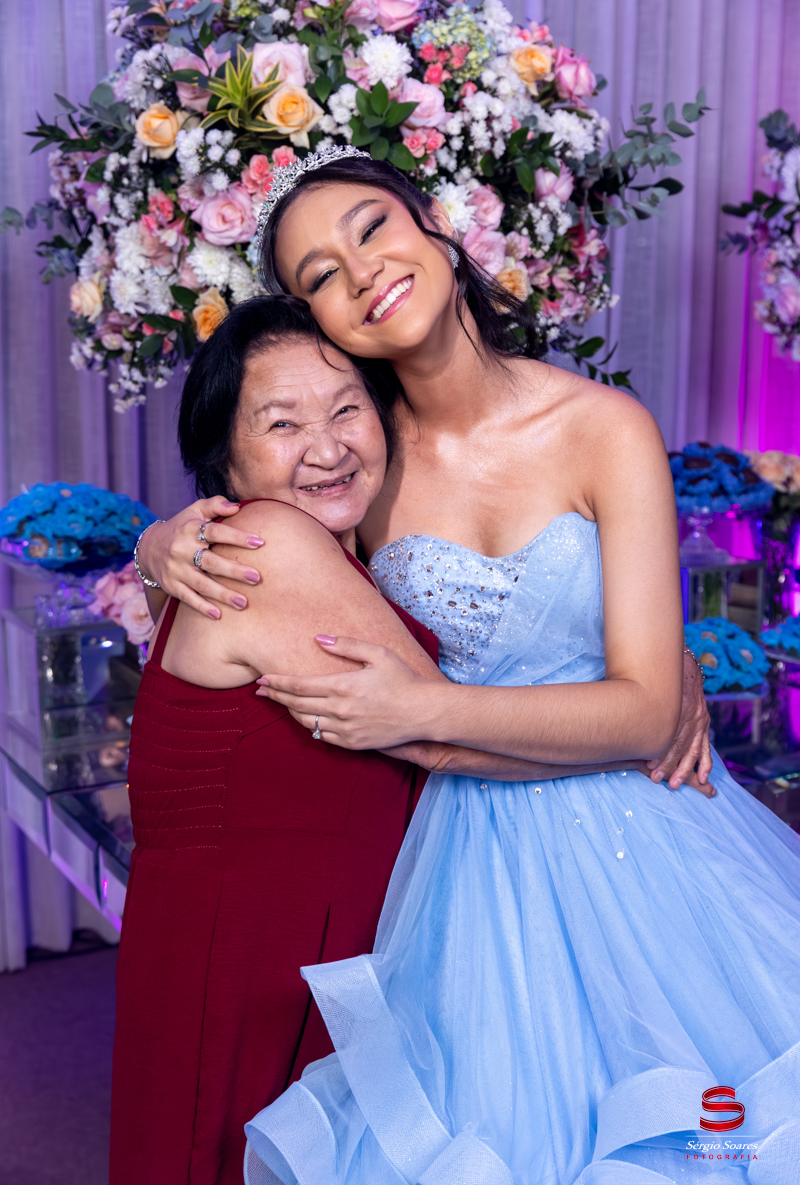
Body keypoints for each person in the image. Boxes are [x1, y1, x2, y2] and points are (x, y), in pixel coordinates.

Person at [141, 151, 800, 1184]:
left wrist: (430, 707)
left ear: (438, 228)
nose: (361, 271)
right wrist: (156, 549)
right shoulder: (354, 463)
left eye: (371, 228)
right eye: (321, 274)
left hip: (648, 832)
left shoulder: (603, 427)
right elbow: (250, 603)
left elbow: (641, 712)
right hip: (458, 855)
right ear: (322, 320)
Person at [112, 293, 645, 1185]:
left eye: (346, 408)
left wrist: (150, 546)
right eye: (282, 423)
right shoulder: (272, 542)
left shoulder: (336, 551)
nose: (326, 448)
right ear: (224, 460)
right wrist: (639, 721)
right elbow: (440, 727)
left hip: (307, 941)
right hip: (249, 953)